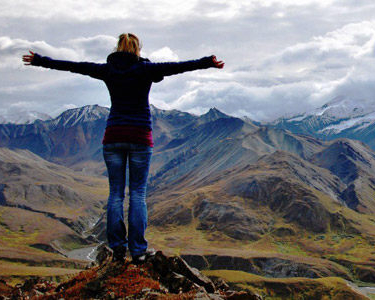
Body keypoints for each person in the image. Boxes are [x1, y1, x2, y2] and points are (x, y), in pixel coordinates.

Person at [23, 33, 224, 264]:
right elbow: (178, 67)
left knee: (115, 194)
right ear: (137, 48)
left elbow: (74, 66)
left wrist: (40, 60)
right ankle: (138, 250)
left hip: (113, 136)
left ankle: (118, 248)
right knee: (138, 193)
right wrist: (208, 61)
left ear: (118, 48)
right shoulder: (145, 69)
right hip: (140, 136)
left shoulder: (108, 70)